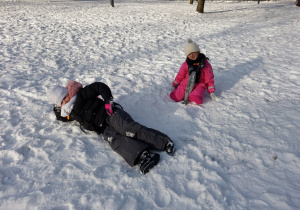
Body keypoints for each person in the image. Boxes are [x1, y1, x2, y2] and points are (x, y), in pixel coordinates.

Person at [46, 80, 174, 175]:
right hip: (102, 128)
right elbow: (61, 117)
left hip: (109, 113)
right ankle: (144, 155)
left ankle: (163, 142)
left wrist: (108, 100)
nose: (66, 100)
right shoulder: (69, 112)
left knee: (128, 128)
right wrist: (57, 109)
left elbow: (99, 86)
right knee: (117, 142)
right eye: (62, 101)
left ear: (68, 92)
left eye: (65, 96)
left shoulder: (81, 94)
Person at [170, 39, 216, 105]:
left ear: (198, 52)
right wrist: (175, 83)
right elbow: (181, 74)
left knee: (195, 98)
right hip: (187, 82)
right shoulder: (186, 64)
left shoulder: (205, 65)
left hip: (200, 85)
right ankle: (177, 92)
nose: (191, 55)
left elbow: (209, 79)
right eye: (189, 54)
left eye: (193, 53)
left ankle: (193, 97)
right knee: (176, 97)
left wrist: (211, 91)